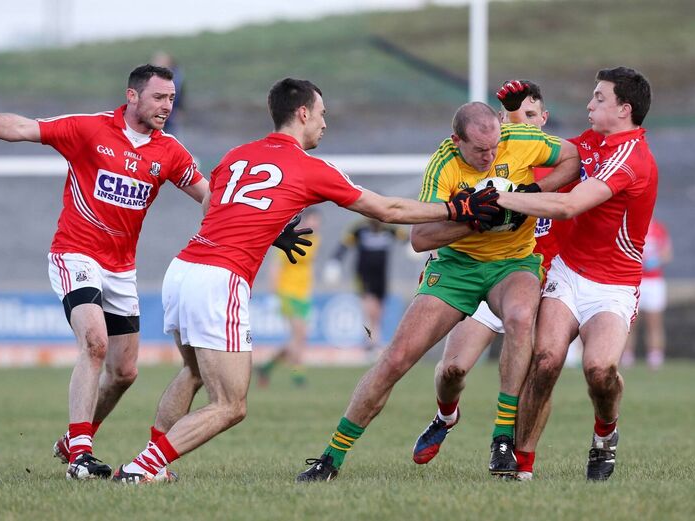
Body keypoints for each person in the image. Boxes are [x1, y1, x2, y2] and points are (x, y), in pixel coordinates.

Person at [110, 77, 500, 484]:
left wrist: (270, 230)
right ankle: (143, 467)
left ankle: (155, 465)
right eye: (322, 114)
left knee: (192, 373)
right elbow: (387, 209)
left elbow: (217, 207)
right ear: (302, 114)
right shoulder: (311, 168)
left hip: (185, 268)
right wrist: (459, 208)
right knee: (230, 405)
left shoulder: (237, 154)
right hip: (219, 278)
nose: (324, 123)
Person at [0, 65, 217, 480]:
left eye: (171, 99)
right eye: (159, 98)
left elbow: (209, 197)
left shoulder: (170, 152)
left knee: (125, 372)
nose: (167, 106)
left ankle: (72, 439)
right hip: (75, 254)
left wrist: (263, 226)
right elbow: (22, 127)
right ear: (132, 96)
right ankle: (80, 457)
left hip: (120, 269)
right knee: (94, 343)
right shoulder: (89, 129)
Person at [296, 100, 581, 482]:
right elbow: (420, 238)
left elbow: (572, 158)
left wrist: (529, 193)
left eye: (494, 146)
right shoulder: (443, 165)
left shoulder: (519, 138)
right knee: (406, 361)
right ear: (457, 141)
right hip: (456, 267)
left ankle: (501, 438)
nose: (490, 155)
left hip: (514, 263)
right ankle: (331, 458)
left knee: (519, 317)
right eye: (480, 150)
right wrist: (473, 219)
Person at [496, 66, 657, 481]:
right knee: (546, 360)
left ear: (624, 109)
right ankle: (522, 466)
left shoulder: (631, 159)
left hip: (614, 286)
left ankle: (606, 433)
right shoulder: (588, 143)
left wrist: (501, 199)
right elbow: (529, 147)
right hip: (567, 272)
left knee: (599, 370)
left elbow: (569, 206)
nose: (589, 104)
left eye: (599, 99)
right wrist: (512, 113)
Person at [411, 79, 580, 467]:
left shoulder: (560, 170)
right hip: (485, 273)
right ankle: (445, 416)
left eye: (532, 115)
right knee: (452, 368)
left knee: (543, 369)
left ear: (545, 119)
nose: (524, 123)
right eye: (513, 117)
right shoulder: (497, 162)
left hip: (533, 281)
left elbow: (580, 174)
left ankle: (520, 460)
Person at [257, 208, 322, 387]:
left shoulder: (316, 240)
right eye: (312, 219)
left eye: (317, 221)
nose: (315, 224)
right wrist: (273, 294)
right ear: (305, 220)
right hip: (287, 292)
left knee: (298, 338)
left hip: (303, 294)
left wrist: (311, 288)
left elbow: (309, 267)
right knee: (299, 335)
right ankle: (298, 376)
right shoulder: (290, 238)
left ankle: (266, 367)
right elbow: (275, 267)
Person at [323, 218, 409, 351]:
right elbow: (343, 245)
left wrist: (412, 248)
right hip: (363, 275)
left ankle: (375, 339)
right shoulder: (359, 229)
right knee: (370, 306)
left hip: (381, 276)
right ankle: (370, 341)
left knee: (379, 309)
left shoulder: (389, 229)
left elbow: (406, 238)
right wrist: (335, 263)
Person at [622, 217, 672, 369]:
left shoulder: (659, 228)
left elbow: (667, 254)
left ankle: (655, 356)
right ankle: (627, 356)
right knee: (630, 322)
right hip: (634, 280)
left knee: (654, 322)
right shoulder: (631, 226)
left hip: (654, 281)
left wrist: (654, 261)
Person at [151, 51, 185, 135]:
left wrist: (180, 109)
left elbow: (180, 94)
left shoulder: (176, 77)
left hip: (171, 112)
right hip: (157, 112)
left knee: (169, 135)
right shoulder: (153, 76)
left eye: (160, 61)